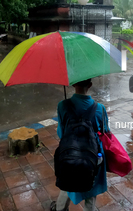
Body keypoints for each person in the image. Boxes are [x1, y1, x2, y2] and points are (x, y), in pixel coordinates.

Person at [51, 78, 109, 211]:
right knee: (91, 187)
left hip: (69, 154)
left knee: (67, 181)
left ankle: (60, 208)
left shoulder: (62, 105)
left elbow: (61, 133)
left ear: (73, 84)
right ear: (90, 85)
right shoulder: (99, 108)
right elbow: (105, 132)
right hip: (93, 157)